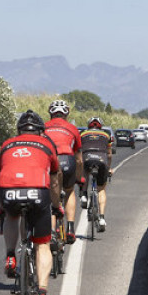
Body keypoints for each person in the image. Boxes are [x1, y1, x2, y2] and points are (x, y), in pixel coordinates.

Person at [0, 110, 63, 295]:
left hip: (8, 190)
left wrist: (3, 205)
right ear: (41, 131)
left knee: (10, 215)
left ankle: (10, 256)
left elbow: (4, 171)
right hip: (37, 191)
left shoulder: (7, 144)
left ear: (19, 130)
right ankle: (42, 294)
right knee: (42, 244)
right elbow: (54, 181)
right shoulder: (47, 145)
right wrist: (57, 205)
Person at [43, 99, 83, 244]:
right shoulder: (72, 128)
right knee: (70, 191)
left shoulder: (43, 127)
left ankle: (52, 232)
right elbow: (79, 160)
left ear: (50, 114)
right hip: (68, 160)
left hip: (50, 161)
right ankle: (71, 229)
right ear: (66, 114)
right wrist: (80, 178)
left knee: (50, 196)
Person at [80, 117, 112, 232]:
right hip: (102, 160)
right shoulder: (106, 135)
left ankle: (83, 195)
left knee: (84, 170)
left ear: (89, 125)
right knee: (101, 190)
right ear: (100, 126)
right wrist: (109, 168)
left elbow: (78, 151)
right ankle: (102, 218)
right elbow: (109, 154)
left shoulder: (83, 134)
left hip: (87, 158)